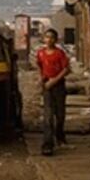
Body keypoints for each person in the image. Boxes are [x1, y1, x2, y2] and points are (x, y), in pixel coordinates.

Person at [36, 28, 70, 156]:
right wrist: (42, 80)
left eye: (51, 37)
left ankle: (60, 134)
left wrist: (54, 81)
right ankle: (47, 144)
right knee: (48, 115)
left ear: (55, 40)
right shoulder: (40, 53)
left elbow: (66, 70)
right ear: (43, 39)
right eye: (46, 37)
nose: (48, 40)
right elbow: (40, 67)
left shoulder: (59, 53)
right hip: (47, 86)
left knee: (60, 115)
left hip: (58, 86)